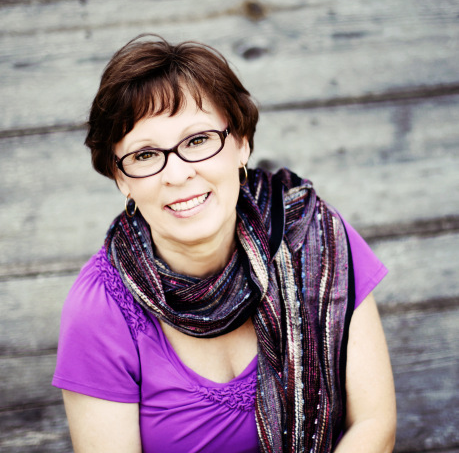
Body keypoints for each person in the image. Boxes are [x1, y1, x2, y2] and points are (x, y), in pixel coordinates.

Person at [52, 34, 396, 452]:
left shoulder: (316, 238)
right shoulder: (101, 310)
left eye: (198, 140)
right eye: (145, 155)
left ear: (241, 144)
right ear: (121, 178)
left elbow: (374, 425)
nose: (177, 174)